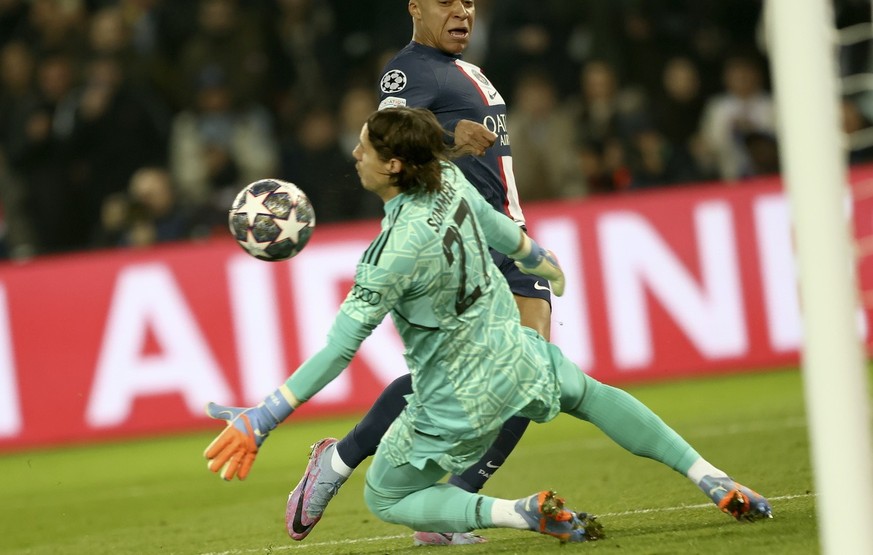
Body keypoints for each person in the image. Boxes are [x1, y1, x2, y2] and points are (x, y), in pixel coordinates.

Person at [203, 107, 772, 546]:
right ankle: (711, 477)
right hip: (518, 355)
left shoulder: (388, 256)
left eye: (365, 146)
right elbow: (502, 231)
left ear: (393, 165)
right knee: (592, 395)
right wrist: (541, 260)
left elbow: (337, 350)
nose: (355, 154)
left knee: (385, 496)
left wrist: (267, 414)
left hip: (456, 402)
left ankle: (517, 513)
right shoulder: (449, 179)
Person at [285, 0, 559, 545]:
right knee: (492, 378)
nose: (461, 11)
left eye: (469, 2)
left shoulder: (465, 69)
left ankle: (443, 509)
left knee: (529, 380)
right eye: (445, 2)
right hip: (461, 243)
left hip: (505, 236)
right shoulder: (408, 69)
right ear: (415, 7)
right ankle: (339, 462)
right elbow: (387, 139)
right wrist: (451, 141)